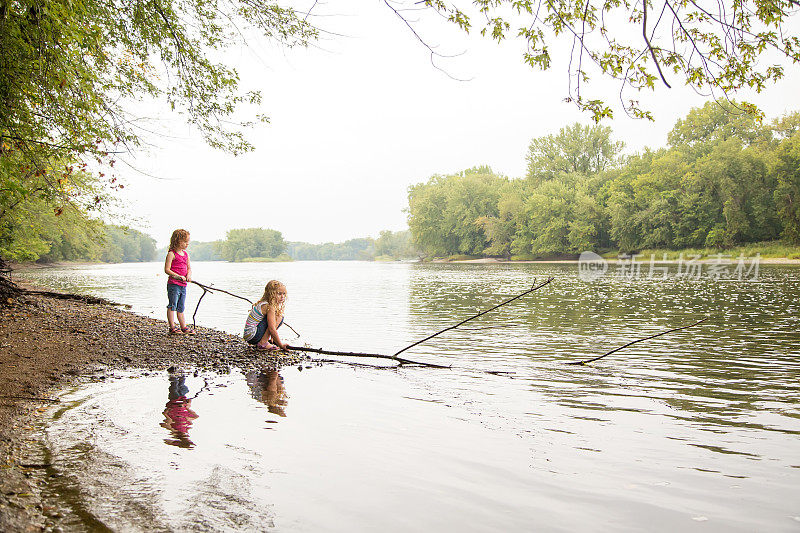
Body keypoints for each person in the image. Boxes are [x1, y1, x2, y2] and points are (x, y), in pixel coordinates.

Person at [164, 228, 194, 335]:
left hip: (183, 285)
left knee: (181, 306)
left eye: (188, 242)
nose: (187, 244)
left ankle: (183, 327)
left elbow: (189, 268)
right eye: (185, 242)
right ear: (177, 241)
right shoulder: (171, 254)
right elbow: (167, 270)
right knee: (173, 305)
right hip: (174, 284)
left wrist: (188, 276)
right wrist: (177, 276)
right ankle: (172, 327)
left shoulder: (186, 255)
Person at [243, 280, 287, 351]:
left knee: (278, 315)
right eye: (279, 294)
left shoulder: (265, 303)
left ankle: (265, 341)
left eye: (284, 294)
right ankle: (263, 343)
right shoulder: (269, 306)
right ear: (271, 294)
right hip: (253, 335)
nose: (282, 296)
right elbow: (272, 329)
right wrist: (281, 345)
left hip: (248, 336)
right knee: (279, 317)